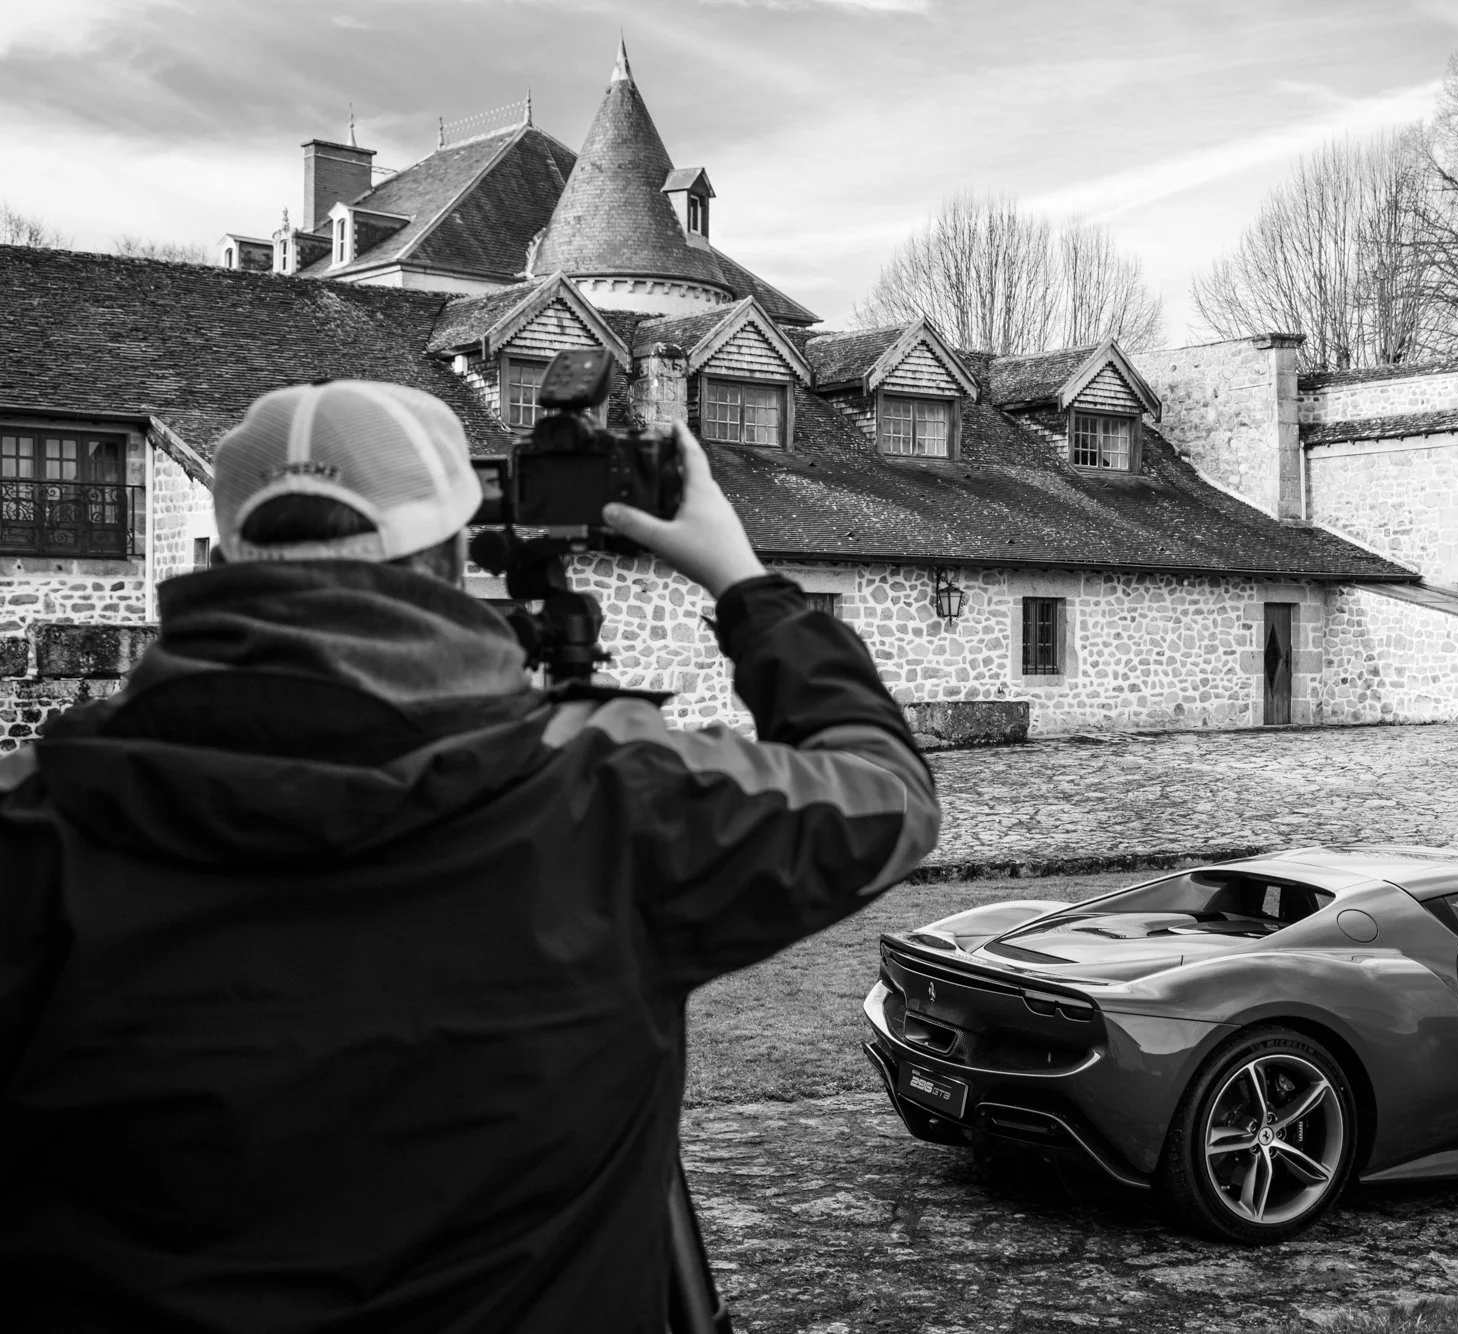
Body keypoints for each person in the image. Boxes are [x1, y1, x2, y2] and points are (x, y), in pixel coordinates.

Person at [0, 380, 939, 1332]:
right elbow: (884, 797)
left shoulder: (33, 814)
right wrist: (747, 587)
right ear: (454, 553)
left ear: (232, 549)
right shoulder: (615, 798)